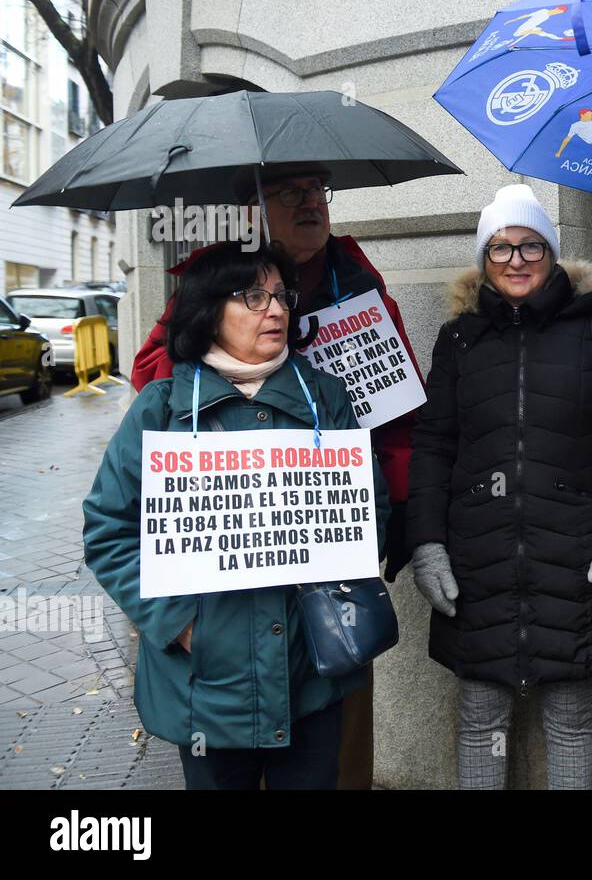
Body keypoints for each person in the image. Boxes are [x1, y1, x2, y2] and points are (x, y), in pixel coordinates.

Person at [130, 163, 417, 788]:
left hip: (324, 575)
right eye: (291, 194)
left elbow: (398, 417)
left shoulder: (361, 285)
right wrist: (243, 374)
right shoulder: (214, 282)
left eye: (319, 191)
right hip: (225, 584)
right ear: (254, 210)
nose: (310, 203)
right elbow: (154, 388)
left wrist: (382, 528)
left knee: (333, 750)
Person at [83, 241, 389, 789]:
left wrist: (337, 589)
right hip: (206, 688)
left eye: (280, 295)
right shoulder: (160, 408)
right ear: (208, 310)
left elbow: (371, 509)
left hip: (311, 673)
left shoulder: (326, 399)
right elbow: (109, 530)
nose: (275, 310)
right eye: (253, 297)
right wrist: (178, 625)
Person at [406, 183, 592, 789]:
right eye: (500, 249)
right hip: (479, 555)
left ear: (551, 252)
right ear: (483, 260)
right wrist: (426, 542)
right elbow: (434, 443)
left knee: (569, 715)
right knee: (480, 717)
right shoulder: (459, 338)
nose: (515, 261)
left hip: (574, 554)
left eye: (530, 247)